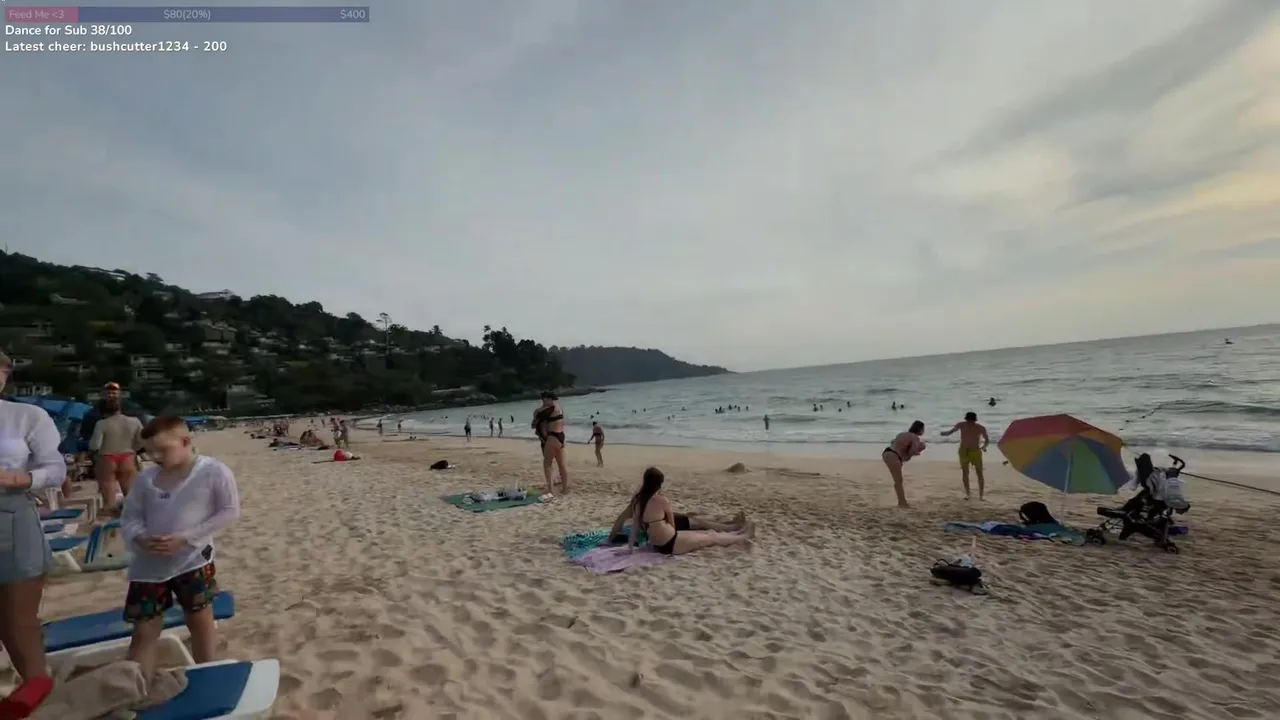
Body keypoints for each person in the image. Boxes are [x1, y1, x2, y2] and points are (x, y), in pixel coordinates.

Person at [120, 415, 240, 680]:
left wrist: (186, 538)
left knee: (200, 619)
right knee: (144, 630)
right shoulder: (145, 479)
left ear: (186, 442)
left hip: (193, 559)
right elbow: (130, 517)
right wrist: (140, 538)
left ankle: (207, 674)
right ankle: (138, 686)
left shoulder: (213, 471)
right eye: (149, 452)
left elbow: (228, 511)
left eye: (162, 450)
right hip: (149, 566)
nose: (154, 457)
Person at [0, 351, 65, 683]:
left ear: (4, 374)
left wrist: (21, 479)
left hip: (11, 519)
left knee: (17, 623)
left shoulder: (26, 416)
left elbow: (56, 469)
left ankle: (40, 694)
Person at [627, 467, 752, 555]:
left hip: (659, 544)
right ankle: (742, 537)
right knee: (711, 537)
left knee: (707, 533)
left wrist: (630, 548)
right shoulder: (661, 500)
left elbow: (635, 527)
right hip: (672, 542)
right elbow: (672, 524)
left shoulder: (638, 501)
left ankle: (737, 533)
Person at [88, 381, 145, 513]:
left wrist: (91, 454)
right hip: (128, 456)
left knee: (109, 502)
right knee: (131, 499)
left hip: (107, 458)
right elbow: (142, 441)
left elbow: (95, 445)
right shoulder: (134, 421)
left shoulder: (101, 423)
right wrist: (133, 449)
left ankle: (111, 521)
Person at [607, 499, 746, 542]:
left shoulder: (643, 501)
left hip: (665, 522)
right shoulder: (639, 503)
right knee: (700, 523)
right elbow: (620, 521)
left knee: (697, 520)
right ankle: (731, 527)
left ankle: (728, 524)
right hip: (665, 527)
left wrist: (610, 538)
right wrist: (610, 539)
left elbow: (620, 520)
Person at [940, 412, 989, 500]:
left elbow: (987, 440)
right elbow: (951, 431)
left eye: (971, 421)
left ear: (974, 420)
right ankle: (968, 494)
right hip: (964, 451)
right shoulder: (961, 425)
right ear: (966, 419)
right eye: (969, 420)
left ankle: (981, 496)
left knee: (979, 474)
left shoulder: (980, 428)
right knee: (965, 473)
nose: (970, 422)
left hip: (975, 451)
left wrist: (984, 447)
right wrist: (943, 433)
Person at [882, 421, 927, 508]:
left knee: (898, 480)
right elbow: (912, 451)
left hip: (887, 452)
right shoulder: (915, 437)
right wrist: (917, 451)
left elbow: (893, 442)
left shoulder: (902, 434)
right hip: (894, 456)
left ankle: (902, 501)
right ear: (920, 429)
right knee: (898, 481)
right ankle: (902, 502)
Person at [532, 392, 569, 494]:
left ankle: (551, 489)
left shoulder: (549, 409)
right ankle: (565, 488)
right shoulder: (559, 408)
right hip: (561, 437)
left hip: (552, 436)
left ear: (546, 399)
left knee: (547, 464)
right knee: (561, 464)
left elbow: (535, 419)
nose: (544, 402)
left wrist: (541, 408)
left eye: (545, 400)